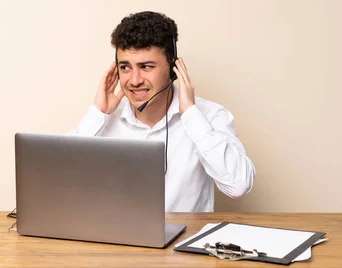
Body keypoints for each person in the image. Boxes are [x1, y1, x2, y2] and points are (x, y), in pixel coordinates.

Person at [69, 11, 255, 212]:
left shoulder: (209, 116)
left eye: (146, 66)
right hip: (115, 241)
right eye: (125, 67)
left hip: (183, 240)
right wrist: (98, 114)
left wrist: (191, 114)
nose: (134, 80)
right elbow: (59, 182)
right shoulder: (104, 119)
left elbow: (239, 186)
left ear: (173, 67)